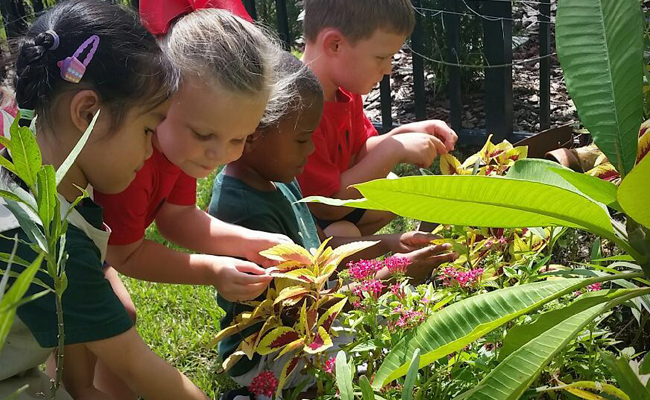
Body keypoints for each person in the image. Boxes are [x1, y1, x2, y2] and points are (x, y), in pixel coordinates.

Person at [209, 53, 455, 399]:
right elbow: (304, 310)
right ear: (251, 134)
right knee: (369, 357)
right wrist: (395, 272)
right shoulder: (245, 211)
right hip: (267, 353)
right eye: (301, 139)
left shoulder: (276, 178)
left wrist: (389, 244)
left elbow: (321, 245)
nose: (311, 150)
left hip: (309, 320)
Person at [0, 1, 209, 399]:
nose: (150, 153)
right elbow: (137, 365)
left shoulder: (37, 170)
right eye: (148, 130)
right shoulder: (45, 236)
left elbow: (73, 306)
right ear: (86, 112)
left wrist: (82, 389)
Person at [92, 6, 293, 399]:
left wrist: (251, 242)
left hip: (90, 242)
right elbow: (124, 253)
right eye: (204, 134)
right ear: (161, 98)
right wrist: (212, 271)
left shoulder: (179, 147)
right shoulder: (134, 159)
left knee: (111, 329)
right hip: (44, 239)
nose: (218, 154)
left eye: (239, 139)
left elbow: (177, 218)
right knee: (106, 325)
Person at [297, 0, 458, 238]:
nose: (388, 69)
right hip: (307, 216)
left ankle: (345, 243)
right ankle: (335, 249)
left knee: (396, 191)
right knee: (345, 231)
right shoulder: (300, 108)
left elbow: (360, 151)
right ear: (335, 45)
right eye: (381, 57)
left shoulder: (344, 89)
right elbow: (327, 206)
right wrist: (393, 150)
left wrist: (405, 134)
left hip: (339, 198)